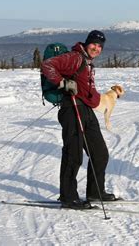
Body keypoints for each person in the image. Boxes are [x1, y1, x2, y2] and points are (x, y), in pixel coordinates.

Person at [41, 30, 116, 209]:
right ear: (87, 42)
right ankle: (68, 197)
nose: (96, 48)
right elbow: (47, 65)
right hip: (72, 109)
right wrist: (62, 83)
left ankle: (95, 192)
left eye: (100, 46)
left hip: (86, 110)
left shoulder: (88, 62)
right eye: (94, 44)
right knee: (73, 153)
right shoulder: (75, 57)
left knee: (100, 153)